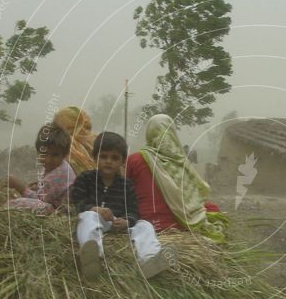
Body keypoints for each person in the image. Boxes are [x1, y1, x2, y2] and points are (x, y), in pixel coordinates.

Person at [70, 131, 171, 281]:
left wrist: (126, 221)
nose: (108, 161)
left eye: (114, 158)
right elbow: (75, 202)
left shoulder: (126, 185)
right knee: (88, 217)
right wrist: (94, 209)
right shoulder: (85, 178)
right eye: (103, 157)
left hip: (119, 225)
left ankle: (149, 259)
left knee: (145, 225)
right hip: (97, 219)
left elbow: (133, 210)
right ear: (95, 158)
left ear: (123, 161)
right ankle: (92, 256)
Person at [125, 114, 227, 242]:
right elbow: (192, 195)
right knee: (210, 208)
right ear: (172, 133)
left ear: (149, 133)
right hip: (178, 226)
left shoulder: (135, 159)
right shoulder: (180, 161)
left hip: (146, 225)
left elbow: (125, 192)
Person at [7, 124, 75, 214]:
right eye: (44, 153)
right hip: (55, 202)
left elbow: (40, 199)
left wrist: (20, 187)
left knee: (15, 203)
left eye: (55, 155)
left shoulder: (57, 174)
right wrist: (40, 185)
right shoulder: (61, 165)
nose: (48, 159)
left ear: (64, 155)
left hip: (60, 211)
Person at [53, 106, 97, 174]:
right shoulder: (66, 148)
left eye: (87, 128)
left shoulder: (57, 148)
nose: (87, 132)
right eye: (84, 127)